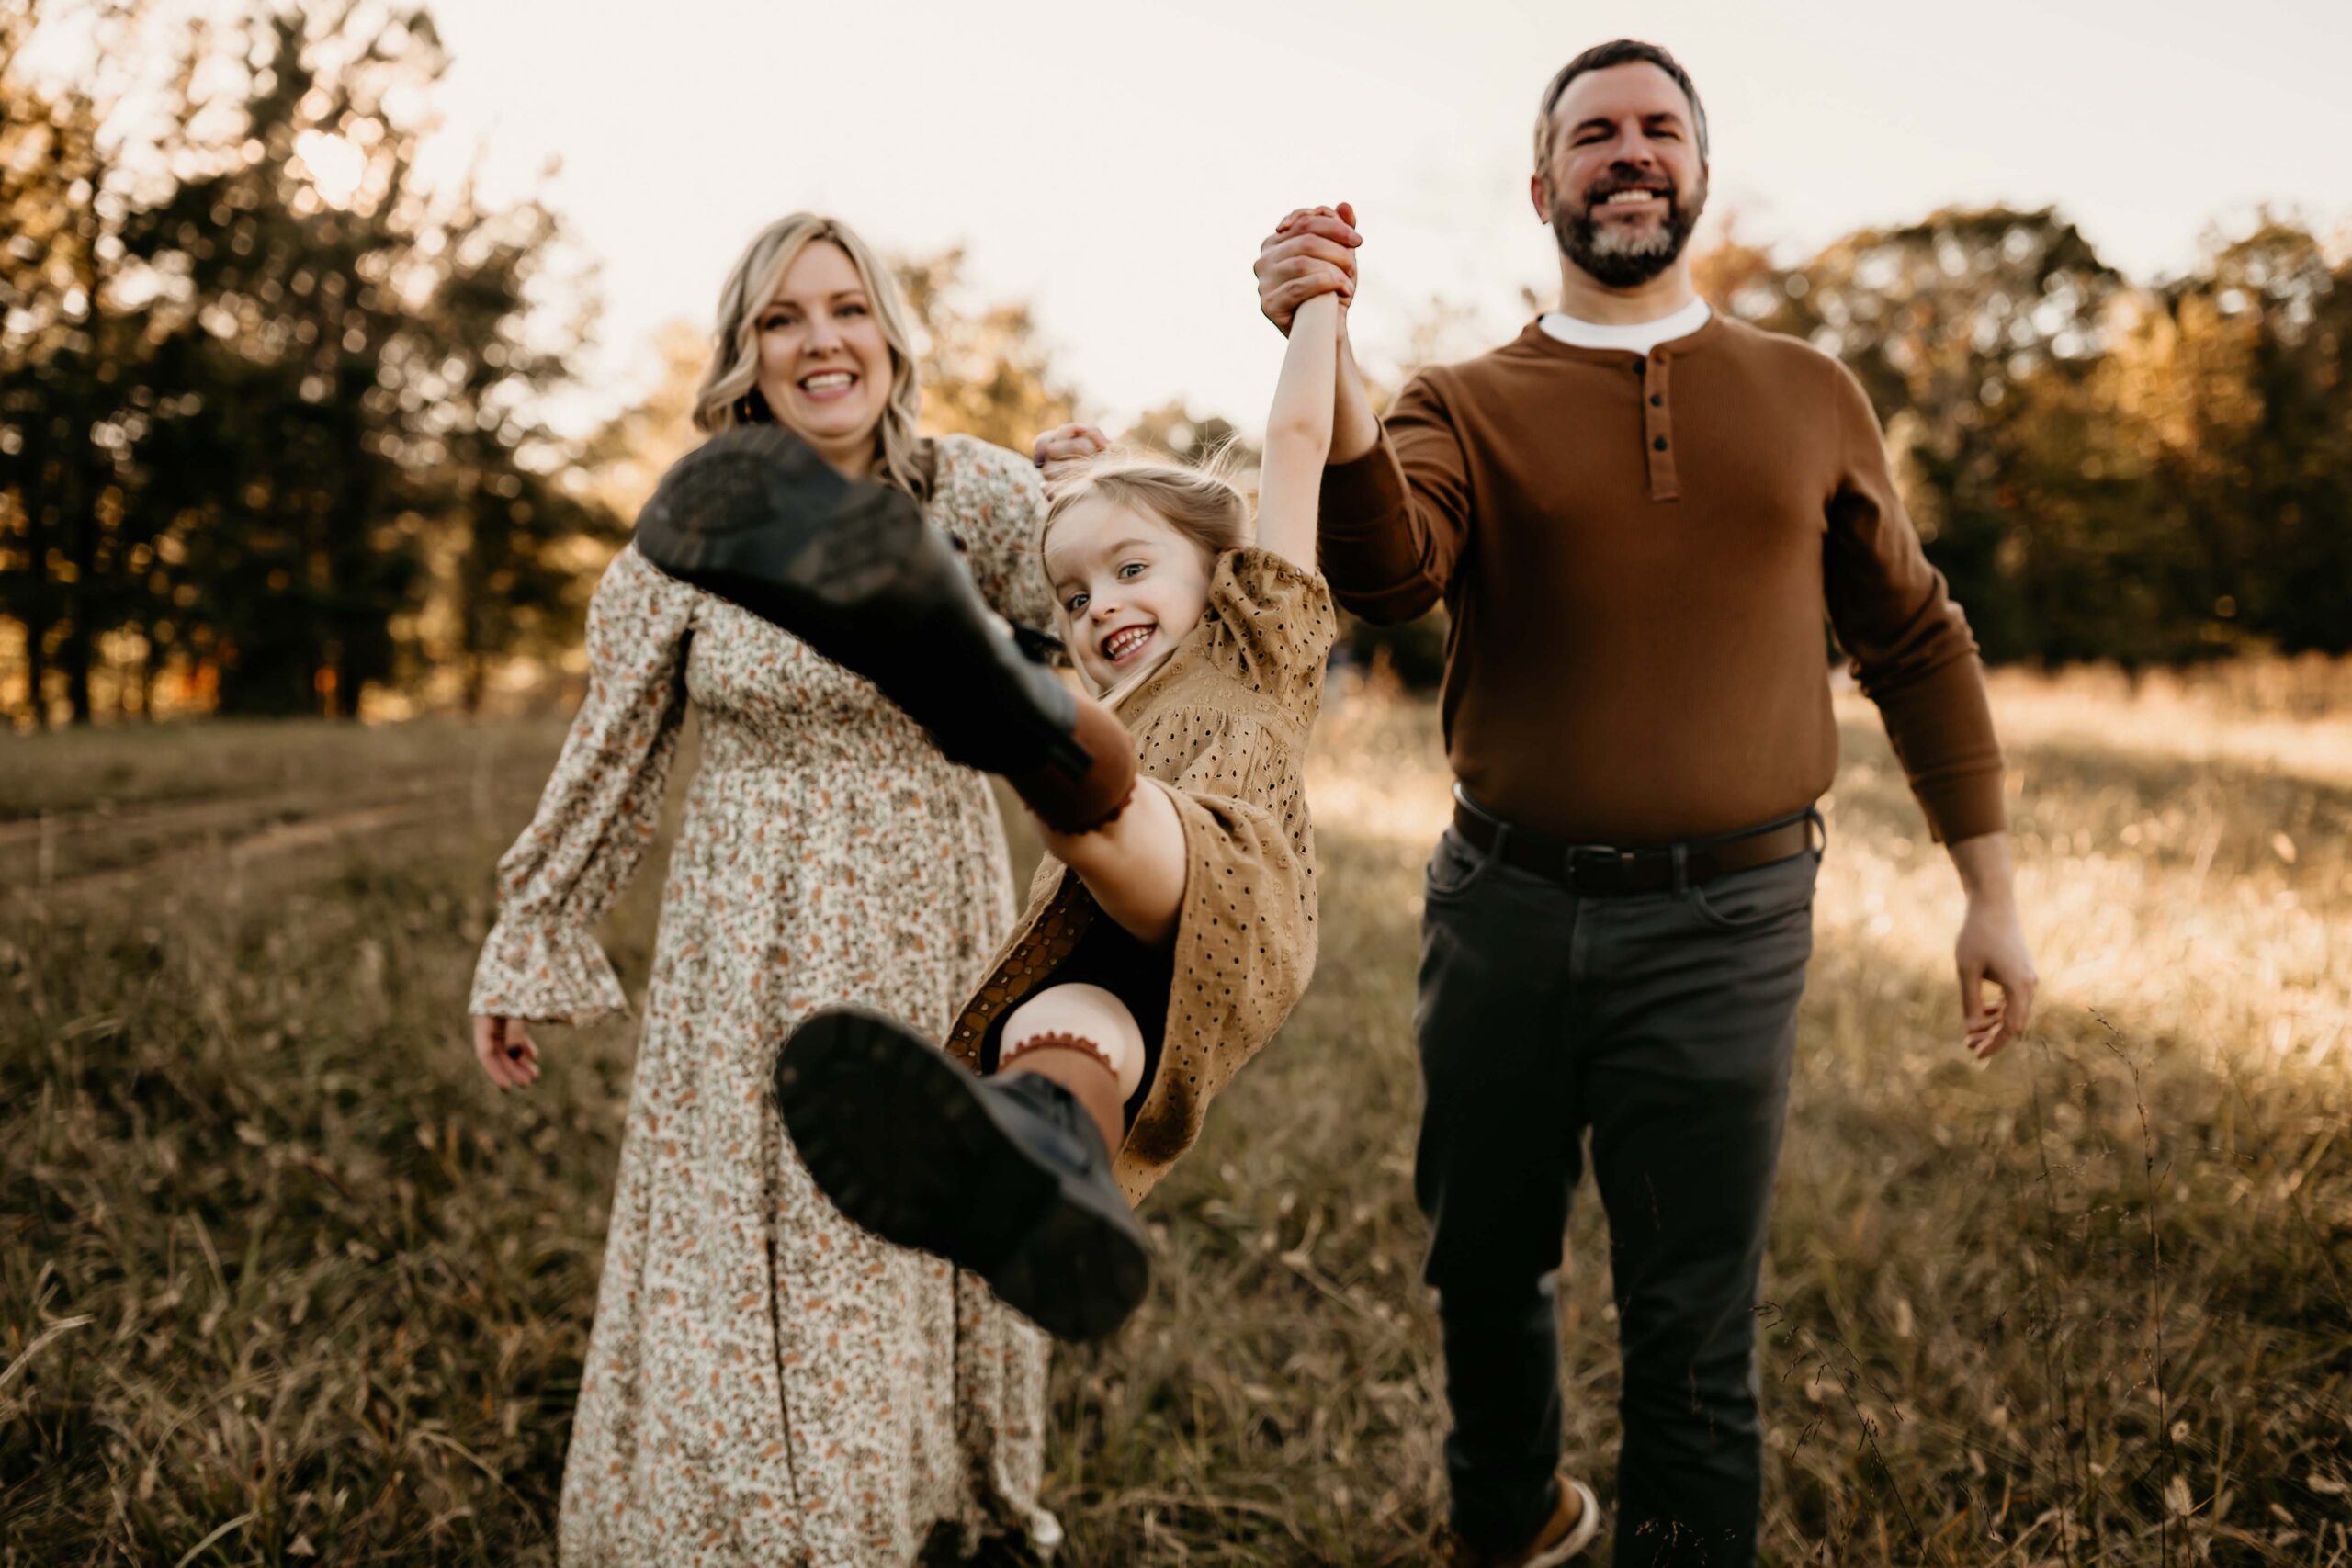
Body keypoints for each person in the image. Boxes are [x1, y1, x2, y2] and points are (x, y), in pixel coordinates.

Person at [1248, 39, 2041, 1568]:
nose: (1631, 152)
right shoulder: (1462, 401)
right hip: (1506, 909)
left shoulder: (1809, 394)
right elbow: (1389, 572)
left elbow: (1915, 639)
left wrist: (1990, 890)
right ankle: (1514, 1525)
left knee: (1693, 1325)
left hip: (1728, 922)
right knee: (1486, 1265)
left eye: (1659, 129)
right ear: (1541, 185)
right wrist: (1326, 361)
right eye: (1594, 133)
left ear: (1697, 171)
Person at [465, 214, 1063, 1566]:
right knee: (757, 1265)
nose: (819, 341)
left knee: (892, 1255)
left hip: (938, 943)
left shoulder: (974, 499)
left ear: (892, 336)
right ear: (746, 353)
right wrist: (534, 926)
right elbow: (612, 745)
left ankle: (920, 1515)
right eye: (782, 319)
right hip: (748, 957)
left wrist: (1096, 499)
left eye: (845, 309)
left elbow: (1117, 602)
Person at [633, 288, 1348, 1346]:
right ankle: (1043, 1150)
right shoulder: (1118, 696)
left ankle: (963, 671)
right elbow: (1098, 552)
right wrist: (1077, 494)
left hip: (1237, 886)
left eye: (1134, 570)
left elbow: (1295, 435)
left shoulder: (1264, 641)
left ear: (1221, 567)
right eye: (1072, 599)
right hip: (1131, 940)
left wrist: (1318, 305)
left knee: (1104, 815)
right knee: (1055, 1027)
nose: (1100, 607)